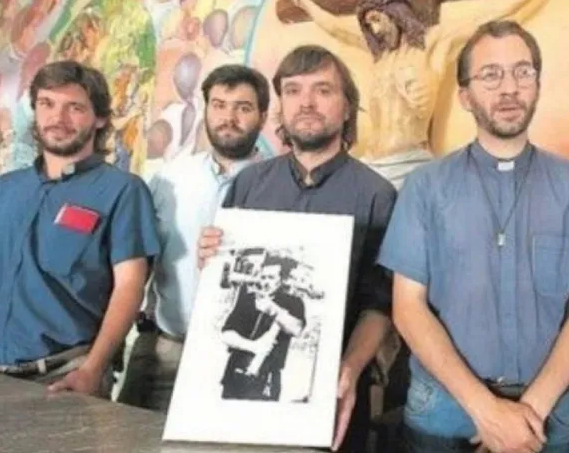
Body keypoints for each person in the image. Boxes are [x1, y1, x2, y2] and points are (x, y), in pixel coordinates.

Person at [377, 20, 569, 453]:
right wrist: (488, 412)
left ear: (538, 85)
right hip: (443, 413)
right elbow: (408, 307)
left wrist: (526, 414)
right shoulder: (426, 187)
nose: (509, 88)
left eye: (522, 72)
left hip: (544, 415)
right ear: (465, 96)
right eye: (490, 75)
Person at [197, 44, 397, 452]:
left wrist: (350, 368)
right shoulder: (248, 185)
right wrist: (211, 261)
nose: (306, 102)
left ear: (347, 107)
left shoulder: (378, 195)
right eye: (293, 90)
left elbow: (381, 304)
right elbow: (224, 288)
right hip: (234, 390)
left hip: (333, 391)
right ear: (281, 106)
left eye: (323, 90)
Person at [0, 60, 160, 398]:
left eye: (75, 108)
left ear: (99, 118)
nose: (58, 118)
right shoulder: (2, 189)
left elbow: (129, 287)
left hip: (58, 380)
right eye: (47, 104)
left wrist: (92, 369)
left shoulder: (123, 192)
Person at [283, 0, 554, 187]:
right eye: (369, 24)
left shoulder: (430, 45)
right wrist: (305, 4)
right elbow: (335, 28)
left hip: (410, 164)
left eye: (377, 20)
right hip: (372, 162)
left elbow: (494, 10)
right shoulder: (379, 56)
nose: (374, 29)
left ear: (396, 15)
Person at [117, 64, 269, 411]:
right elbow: (140, 265)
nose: (229, 118)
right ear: (206, 110)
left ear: (263, 116)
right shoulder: (169, 179)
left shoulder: (281, 187)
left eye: (243, 108)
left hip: (241, 358)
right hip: (165, 349)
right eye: (219, 105)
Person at [220, 254, 306, 401]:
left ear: (282, 280)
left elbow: (297, 329)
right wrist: (253, 346)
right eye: (263, 277)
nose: (265, 282)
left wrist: (273, 310)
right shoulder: (248, 299)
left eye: (271, 278)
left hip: (267, 377)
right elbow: (226, 334)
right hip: (235, 371)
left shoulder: (293, 302)